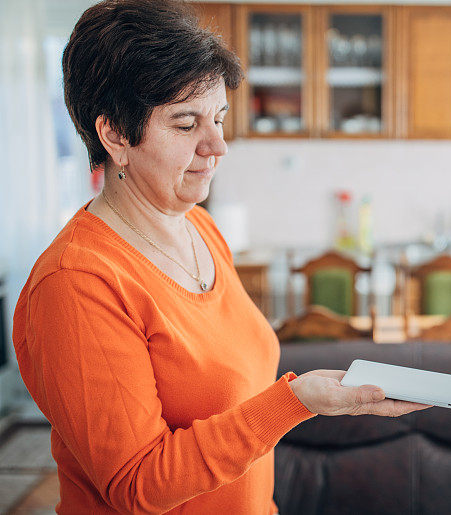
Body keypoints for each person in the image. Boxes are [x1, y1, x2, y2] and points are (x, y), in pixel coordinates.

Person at [11, 1, 427, 513]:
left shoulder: (201, 230)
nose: (218, 145)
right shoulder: (76, 283)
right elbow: (136, 484)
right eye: (186, 124)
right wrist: (294, 403)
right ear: (115, 135)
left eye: (220, 118)